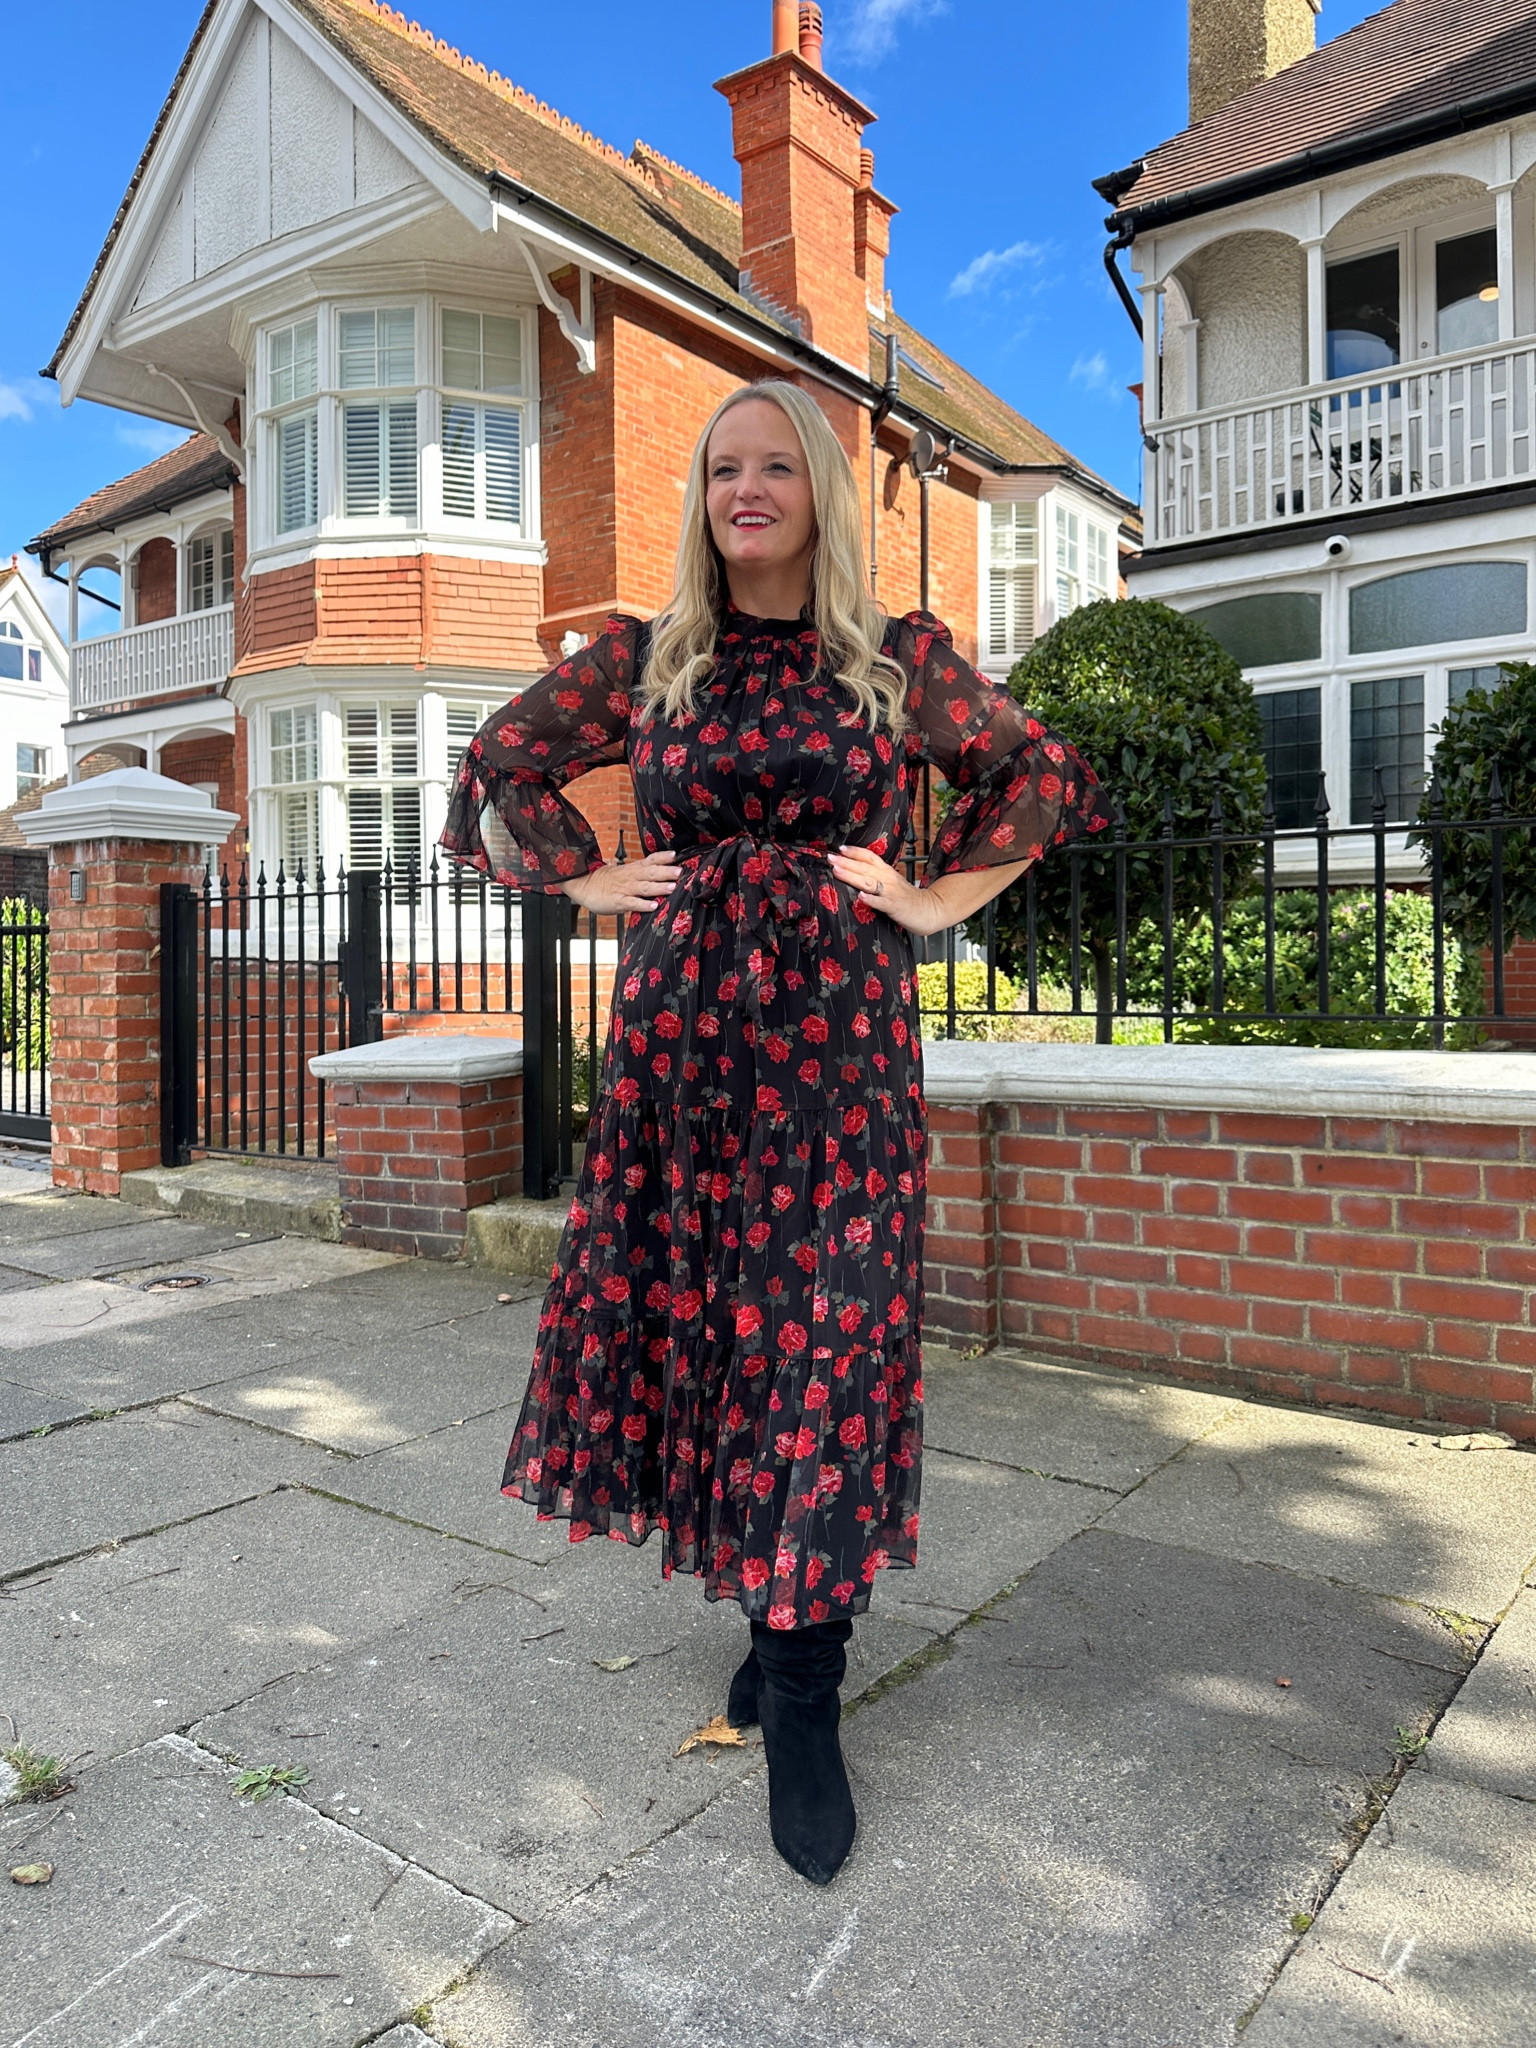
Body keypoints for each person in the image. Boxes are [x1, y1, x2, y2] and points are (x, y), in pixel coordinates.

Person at [440, 380, 1109, 1886]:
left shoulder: (890, 663)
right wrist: (581, 882)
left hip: (840, 1052)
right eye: (723, 467)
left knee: (827, 1331)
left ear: (819, 490)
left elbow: (1035, 772)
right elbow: (501, 760)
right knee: (714, 1329)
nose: (747, 488)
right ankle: (771, 1613)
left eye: (775, 465)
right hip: (683, 1048)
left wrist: (931, 901)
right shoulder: (646, 661)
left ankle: (800, 1689)